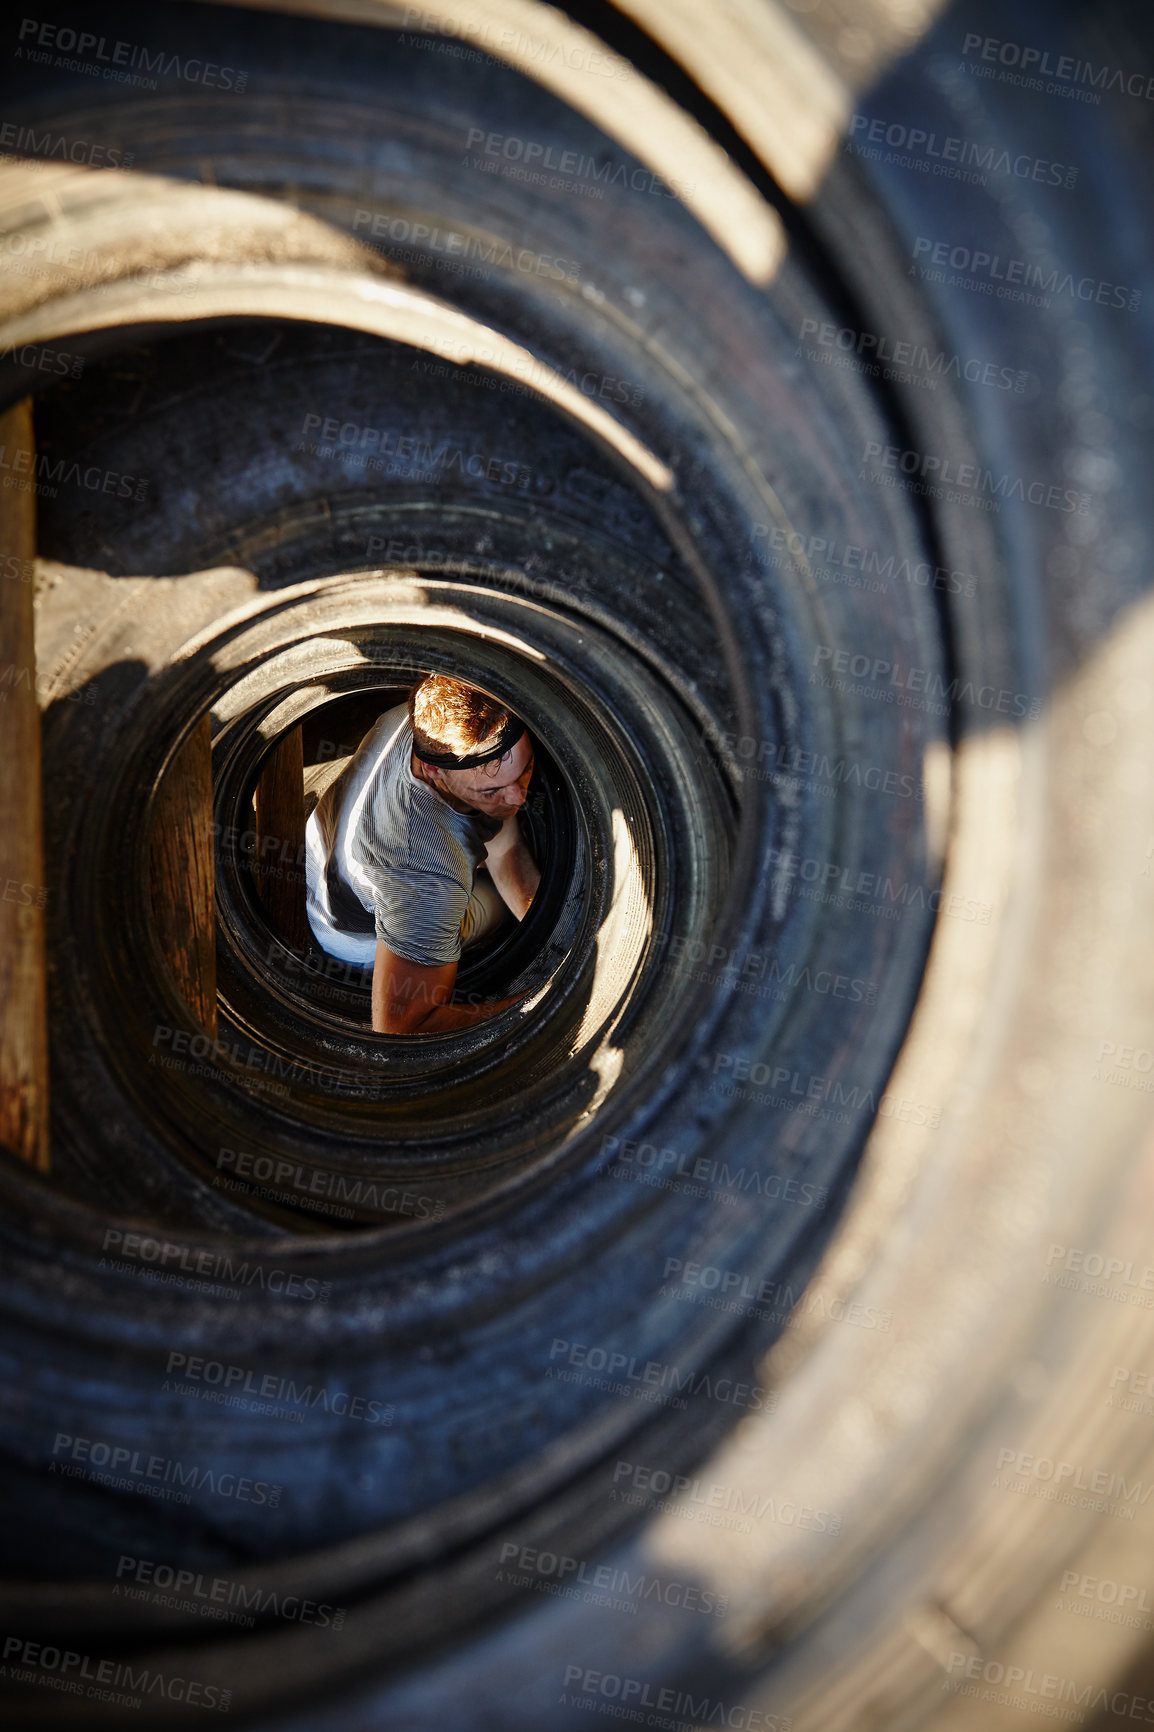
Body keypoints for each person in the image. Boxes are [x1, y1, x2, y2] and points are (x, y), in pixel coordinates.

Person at [304, 673, 540, 1035]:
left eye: (524, 771)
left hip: (332, 861)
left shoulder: (427, 714)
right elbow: (401, 1027)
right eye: (492, 790)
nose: (518, 798)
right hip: (356, 939)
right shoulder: (429, 879)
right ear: (433, 771)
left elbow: (502, 833)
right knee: (496, 908)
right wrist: (545, 1000)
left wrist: (490, 795)